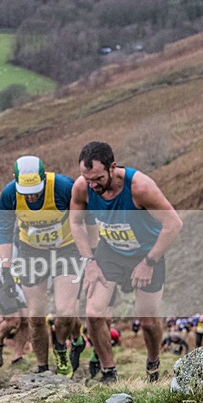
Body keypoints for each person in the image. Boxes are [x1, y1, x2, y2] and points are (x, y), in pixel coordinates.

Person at [70, 141, 183, 383]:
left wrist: (149, 262)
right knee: (93, 313)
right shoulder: (83, 187)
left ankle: (153, 364)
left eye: (98, 178)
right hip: (110, 253)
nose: (92, 185)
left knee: (148, 321)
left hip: (147, 254)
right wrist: (88, 262)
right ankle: (108, 371)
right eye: (86, 177)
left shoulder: (140, 187)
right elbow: (75, 222)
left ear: (112, 167)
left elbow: (173, 224)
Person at [0, 156, 82, 376]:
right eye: (27, 193)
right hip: (31, 251)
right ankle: (43, 367)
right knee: (35, 316)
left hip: (66, 248)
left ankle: (62, 346)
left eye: (36, 190)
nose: (32, 196)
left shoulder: (64, 187)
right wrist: (6, 268)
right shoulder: (9, 195)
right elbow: (5, 232)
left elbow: (84, 221)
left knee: (65, 312)